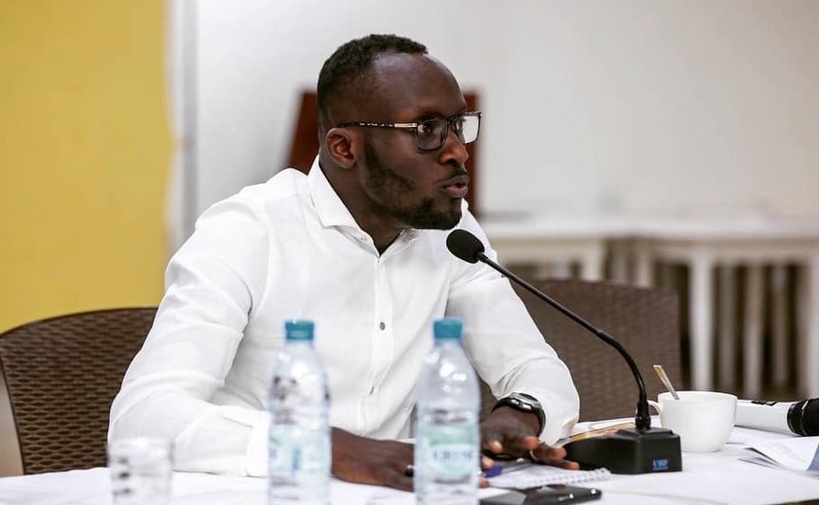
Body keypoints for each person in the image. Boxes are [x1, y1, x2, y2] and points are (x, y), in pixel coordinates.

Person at [109, 33, 580, 491]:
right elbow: (143, 418)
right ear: (344, 148)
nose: (458, 150)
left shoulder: (453, 237)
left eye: (459, 125)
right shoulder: (247, 231)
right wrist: (335, 449)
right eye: (427, 130)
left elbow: (534, 366)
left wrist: (519, 414)